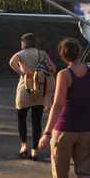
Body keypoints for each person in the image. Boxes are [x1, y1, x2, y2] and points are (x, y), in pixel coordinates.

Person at [38, 38, 90, 178]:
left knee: (61, 174)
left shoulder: (64, 75)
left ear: (63, 56)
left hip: (64, 131)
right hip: (88, 129)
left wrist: (46, 133)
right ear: (79, 52)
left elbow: (58, 106)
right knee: (87, 173)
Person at [9, 32, 56, 161]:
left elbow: (12, 62)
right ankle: (34, 150)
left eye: (22, 42)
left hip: (25, 89)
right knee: (36, 121)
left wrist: (23, 73)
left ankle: (24, 145)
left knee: (21, 118)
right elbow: (53, 68)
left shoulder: (20, 54)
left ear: (25, 43)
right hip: (40, 90)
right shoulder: (43, 54)